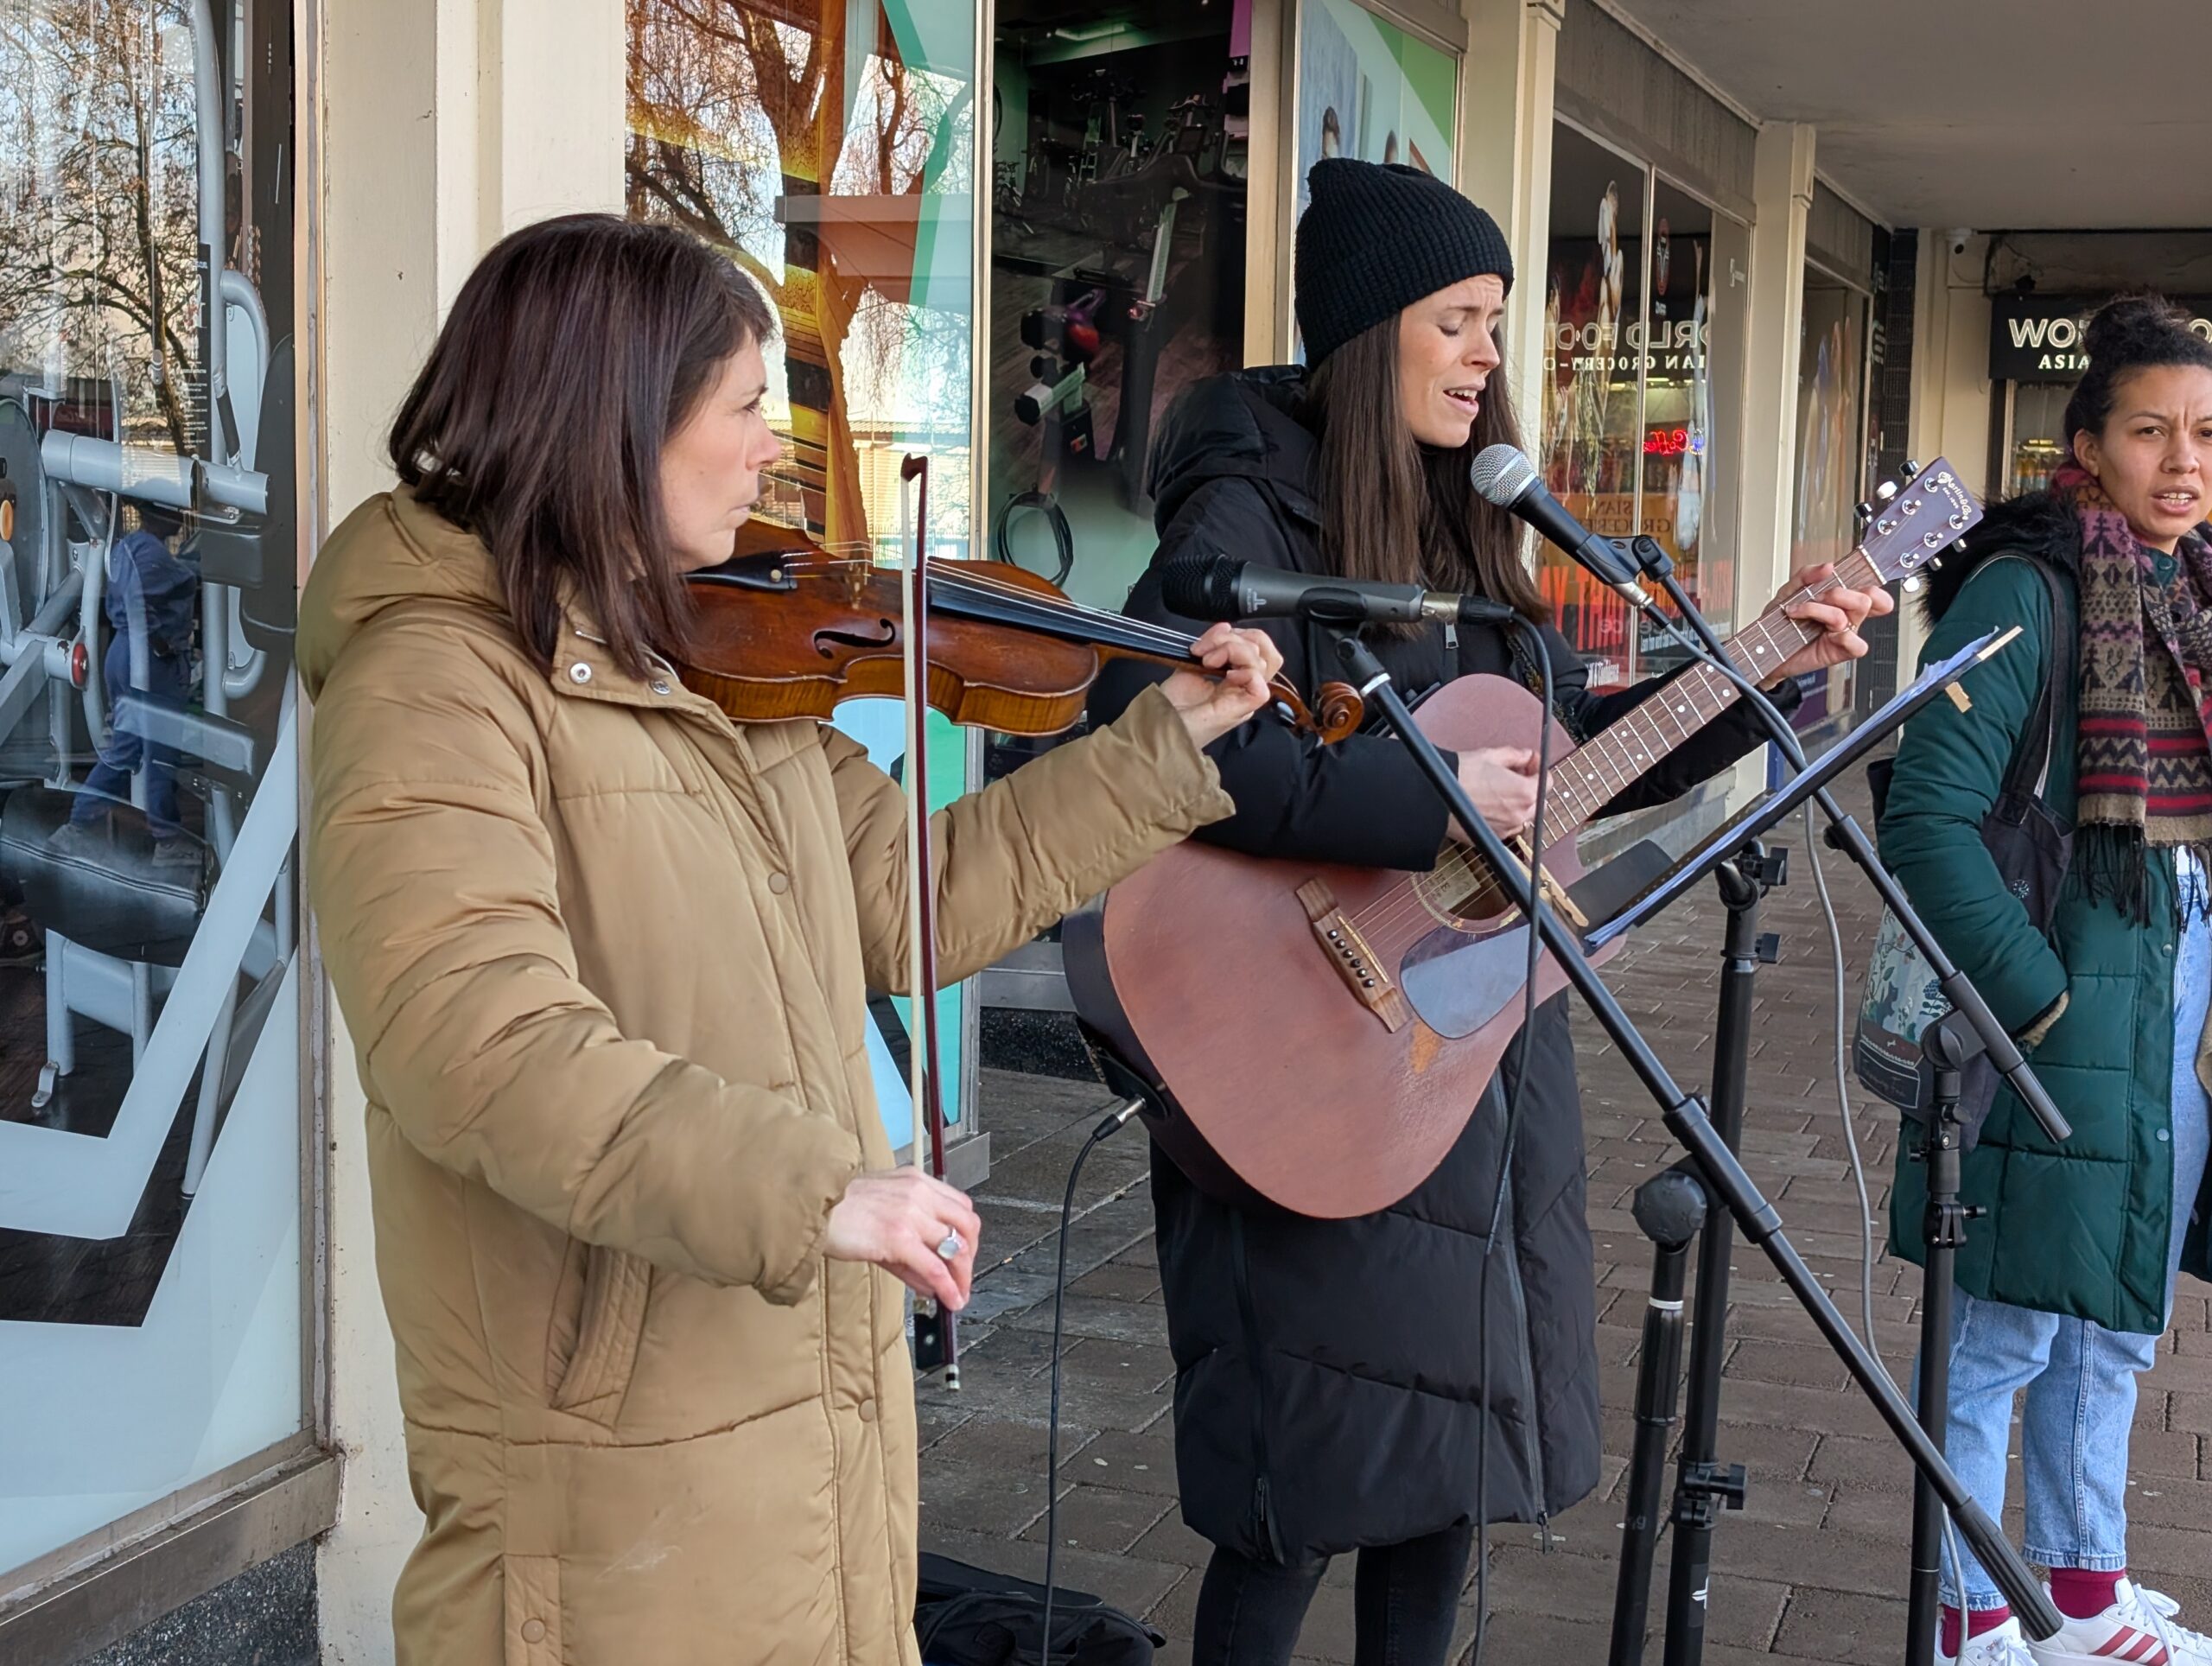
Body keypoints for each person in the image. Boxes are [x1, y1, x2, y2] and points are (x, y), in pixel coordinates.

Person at [298, 213, 1283, 1666]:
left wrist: (1160, 744)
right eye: (750, 406)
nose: (780, 453)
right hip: (603, 1494)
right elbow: (475, 1040)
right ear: (615, 414)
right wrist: (814, 1183)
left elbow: (916, 891)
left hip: (799, 1426)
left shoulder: (712, 663)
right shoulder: (429, 687)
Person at [1087, 157, 1889, 1666]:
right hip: (1311, 1055)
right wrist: (1438, 795)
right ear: (1370, 326)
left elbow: (1571, 760)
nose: (1487, 355)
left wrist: (1771, 661)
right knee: (1297, 1500)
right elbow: (1170, 738)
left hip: (1461, 1056)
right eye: (1458, 318)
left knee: (1441, 1485)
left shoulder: (1472, 519)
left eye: (1498, 323)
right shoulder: (1244, 492)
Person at [1882, 293, 2212, 1666]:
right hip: (2056, 1015)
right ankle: (1967, 1613)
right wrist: (2039, 1001)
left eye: (2205, 434)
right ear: (2086, 441)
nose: (2183, 461)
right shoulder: (2029, 589)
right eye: (2151, 431)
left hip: (2170, 1010)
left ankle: (2080, 1594)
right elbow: (1924, 817)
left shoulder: (2192, 591)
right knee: (2004, 1335)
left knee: (2115, 1321)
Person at [55, 500, 199, 864]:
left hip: (124, 653)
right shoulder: (148, 552)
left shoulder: (127, 548)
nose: (181, 518)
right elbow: (142, 605)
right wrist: (161, 645)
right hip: (147, 660)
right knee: (160, 751)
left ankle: (77, 827)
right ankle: (167, 840)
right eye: (175, 512)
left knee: (125, 748)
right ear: (161, 516)